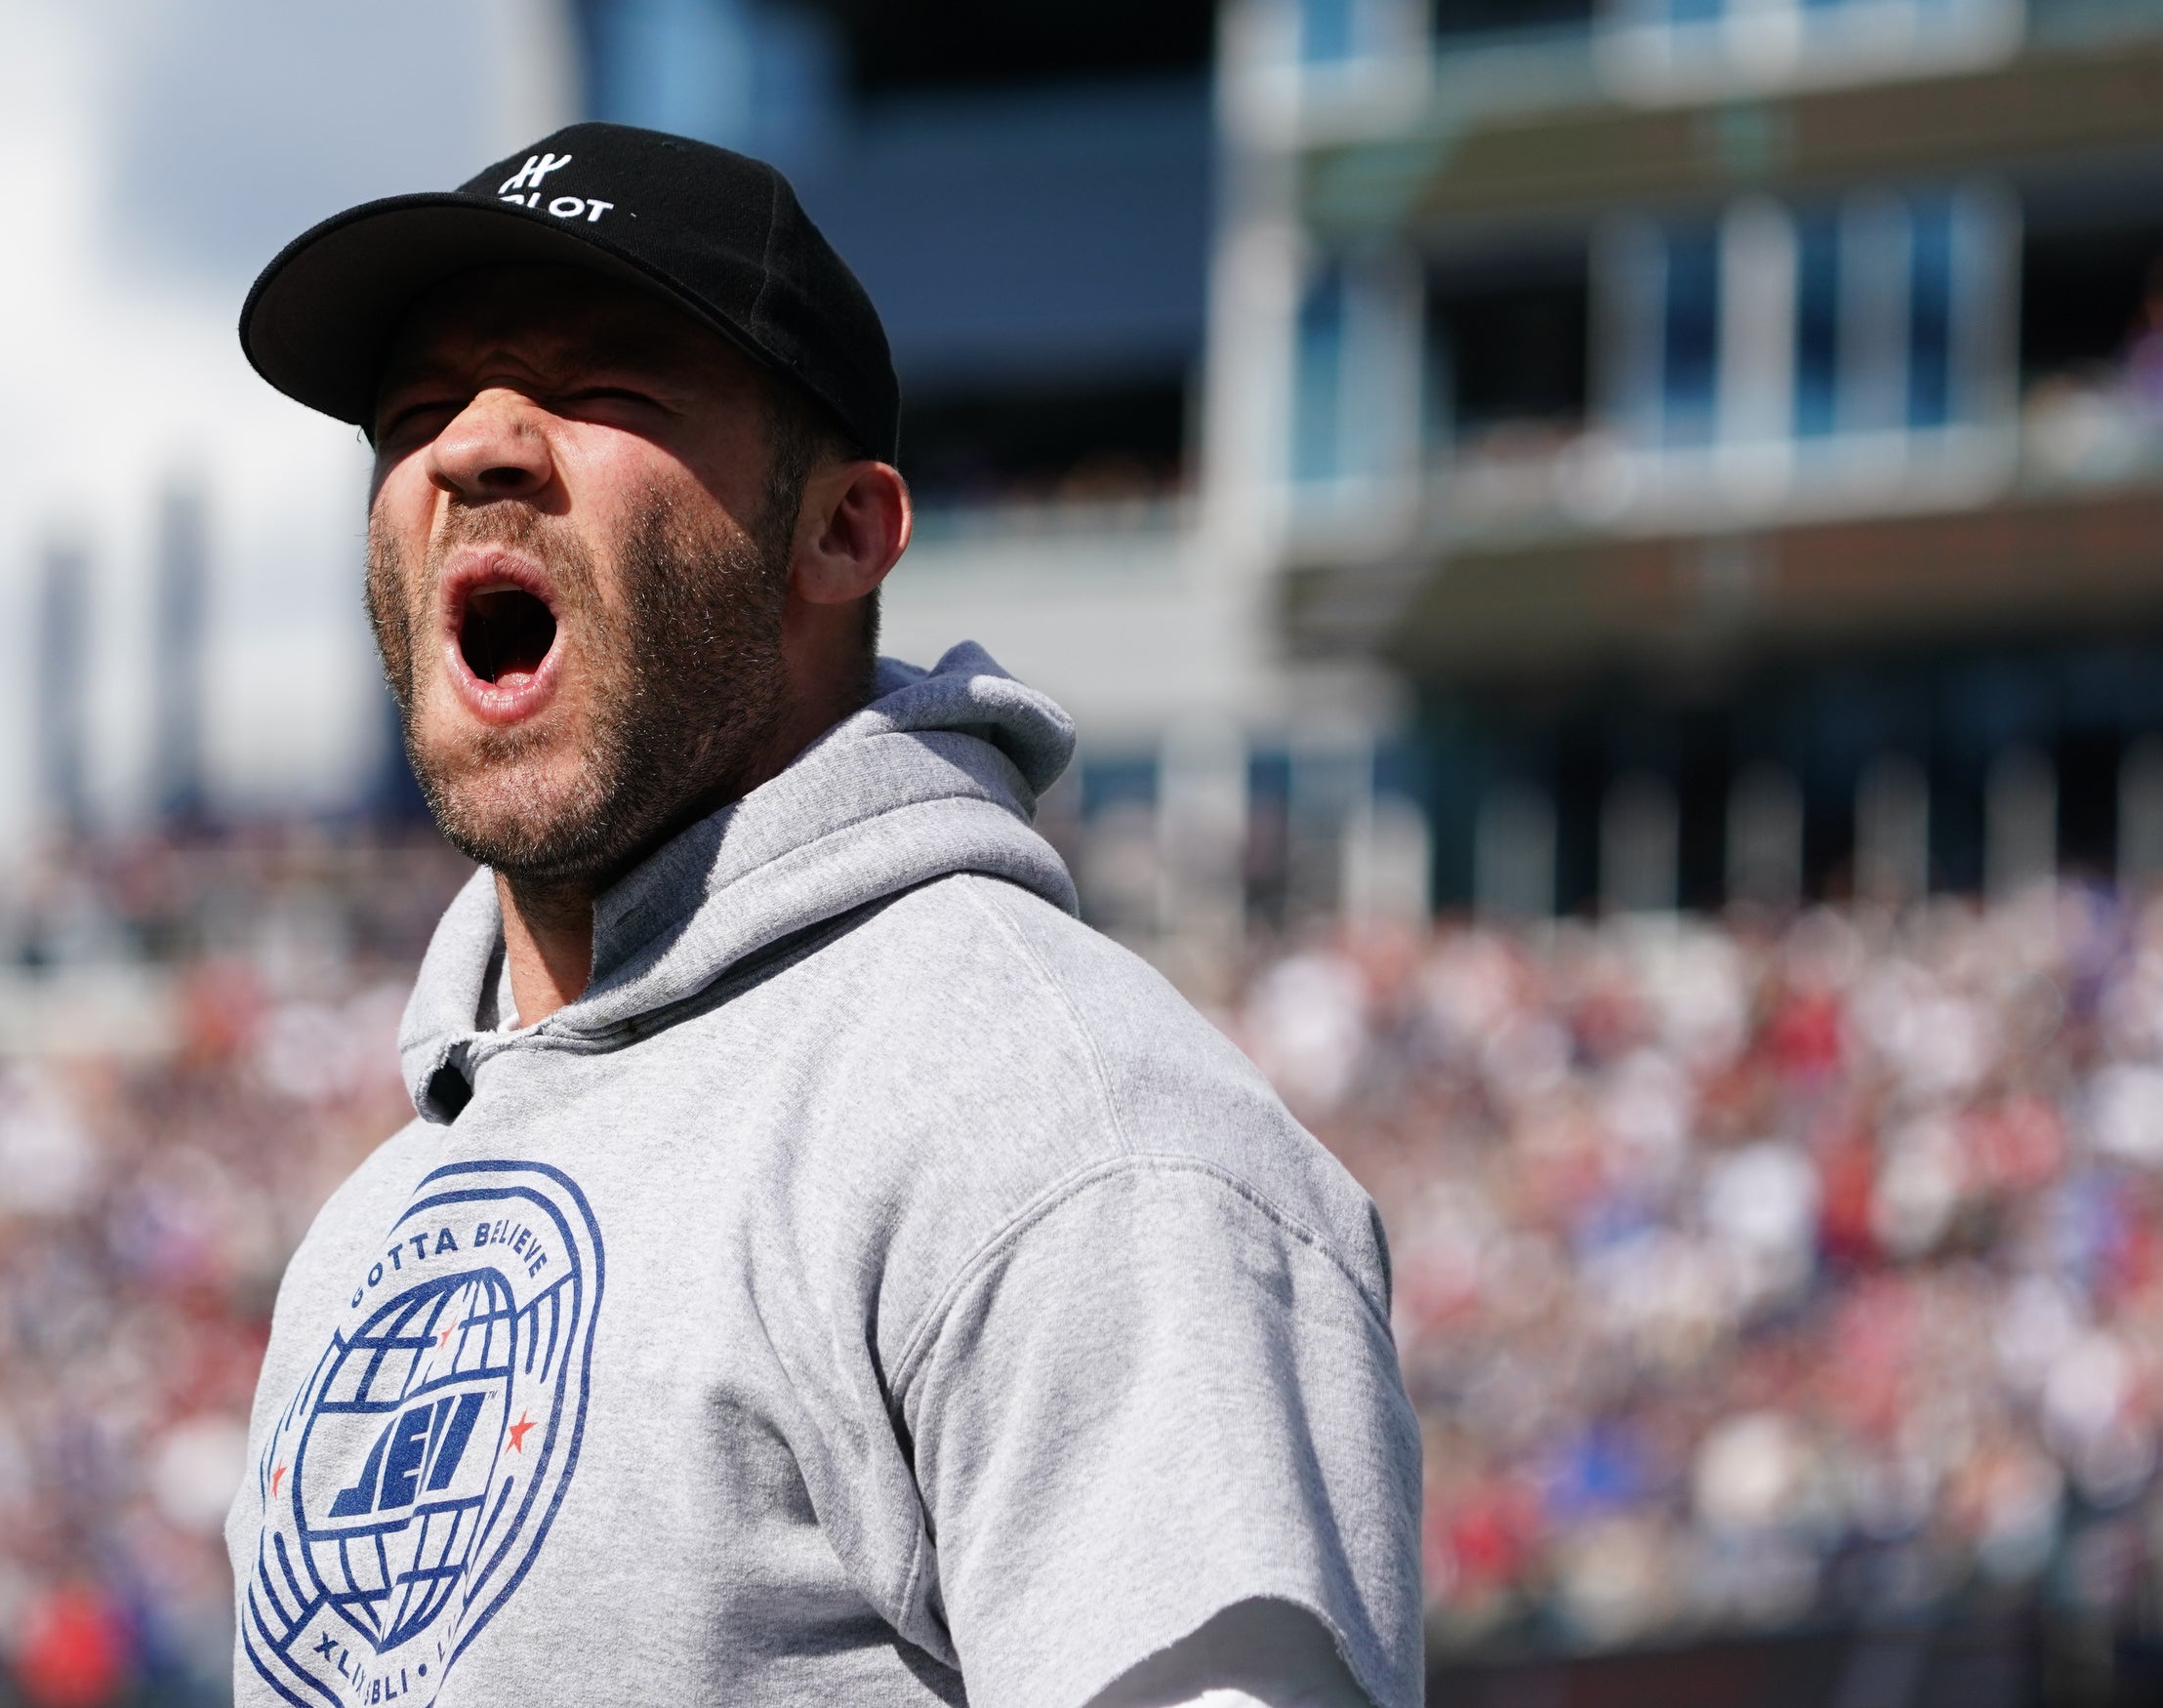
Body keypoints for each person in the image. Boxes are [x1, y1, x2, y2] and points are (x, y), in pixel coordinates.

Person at [224, 122, 1420, 1708]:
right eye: (417, 408)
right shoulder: (367, 1231)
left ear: (845, 531)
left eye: (605, 389)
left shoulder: (1058, 1125)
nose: (474, 449)